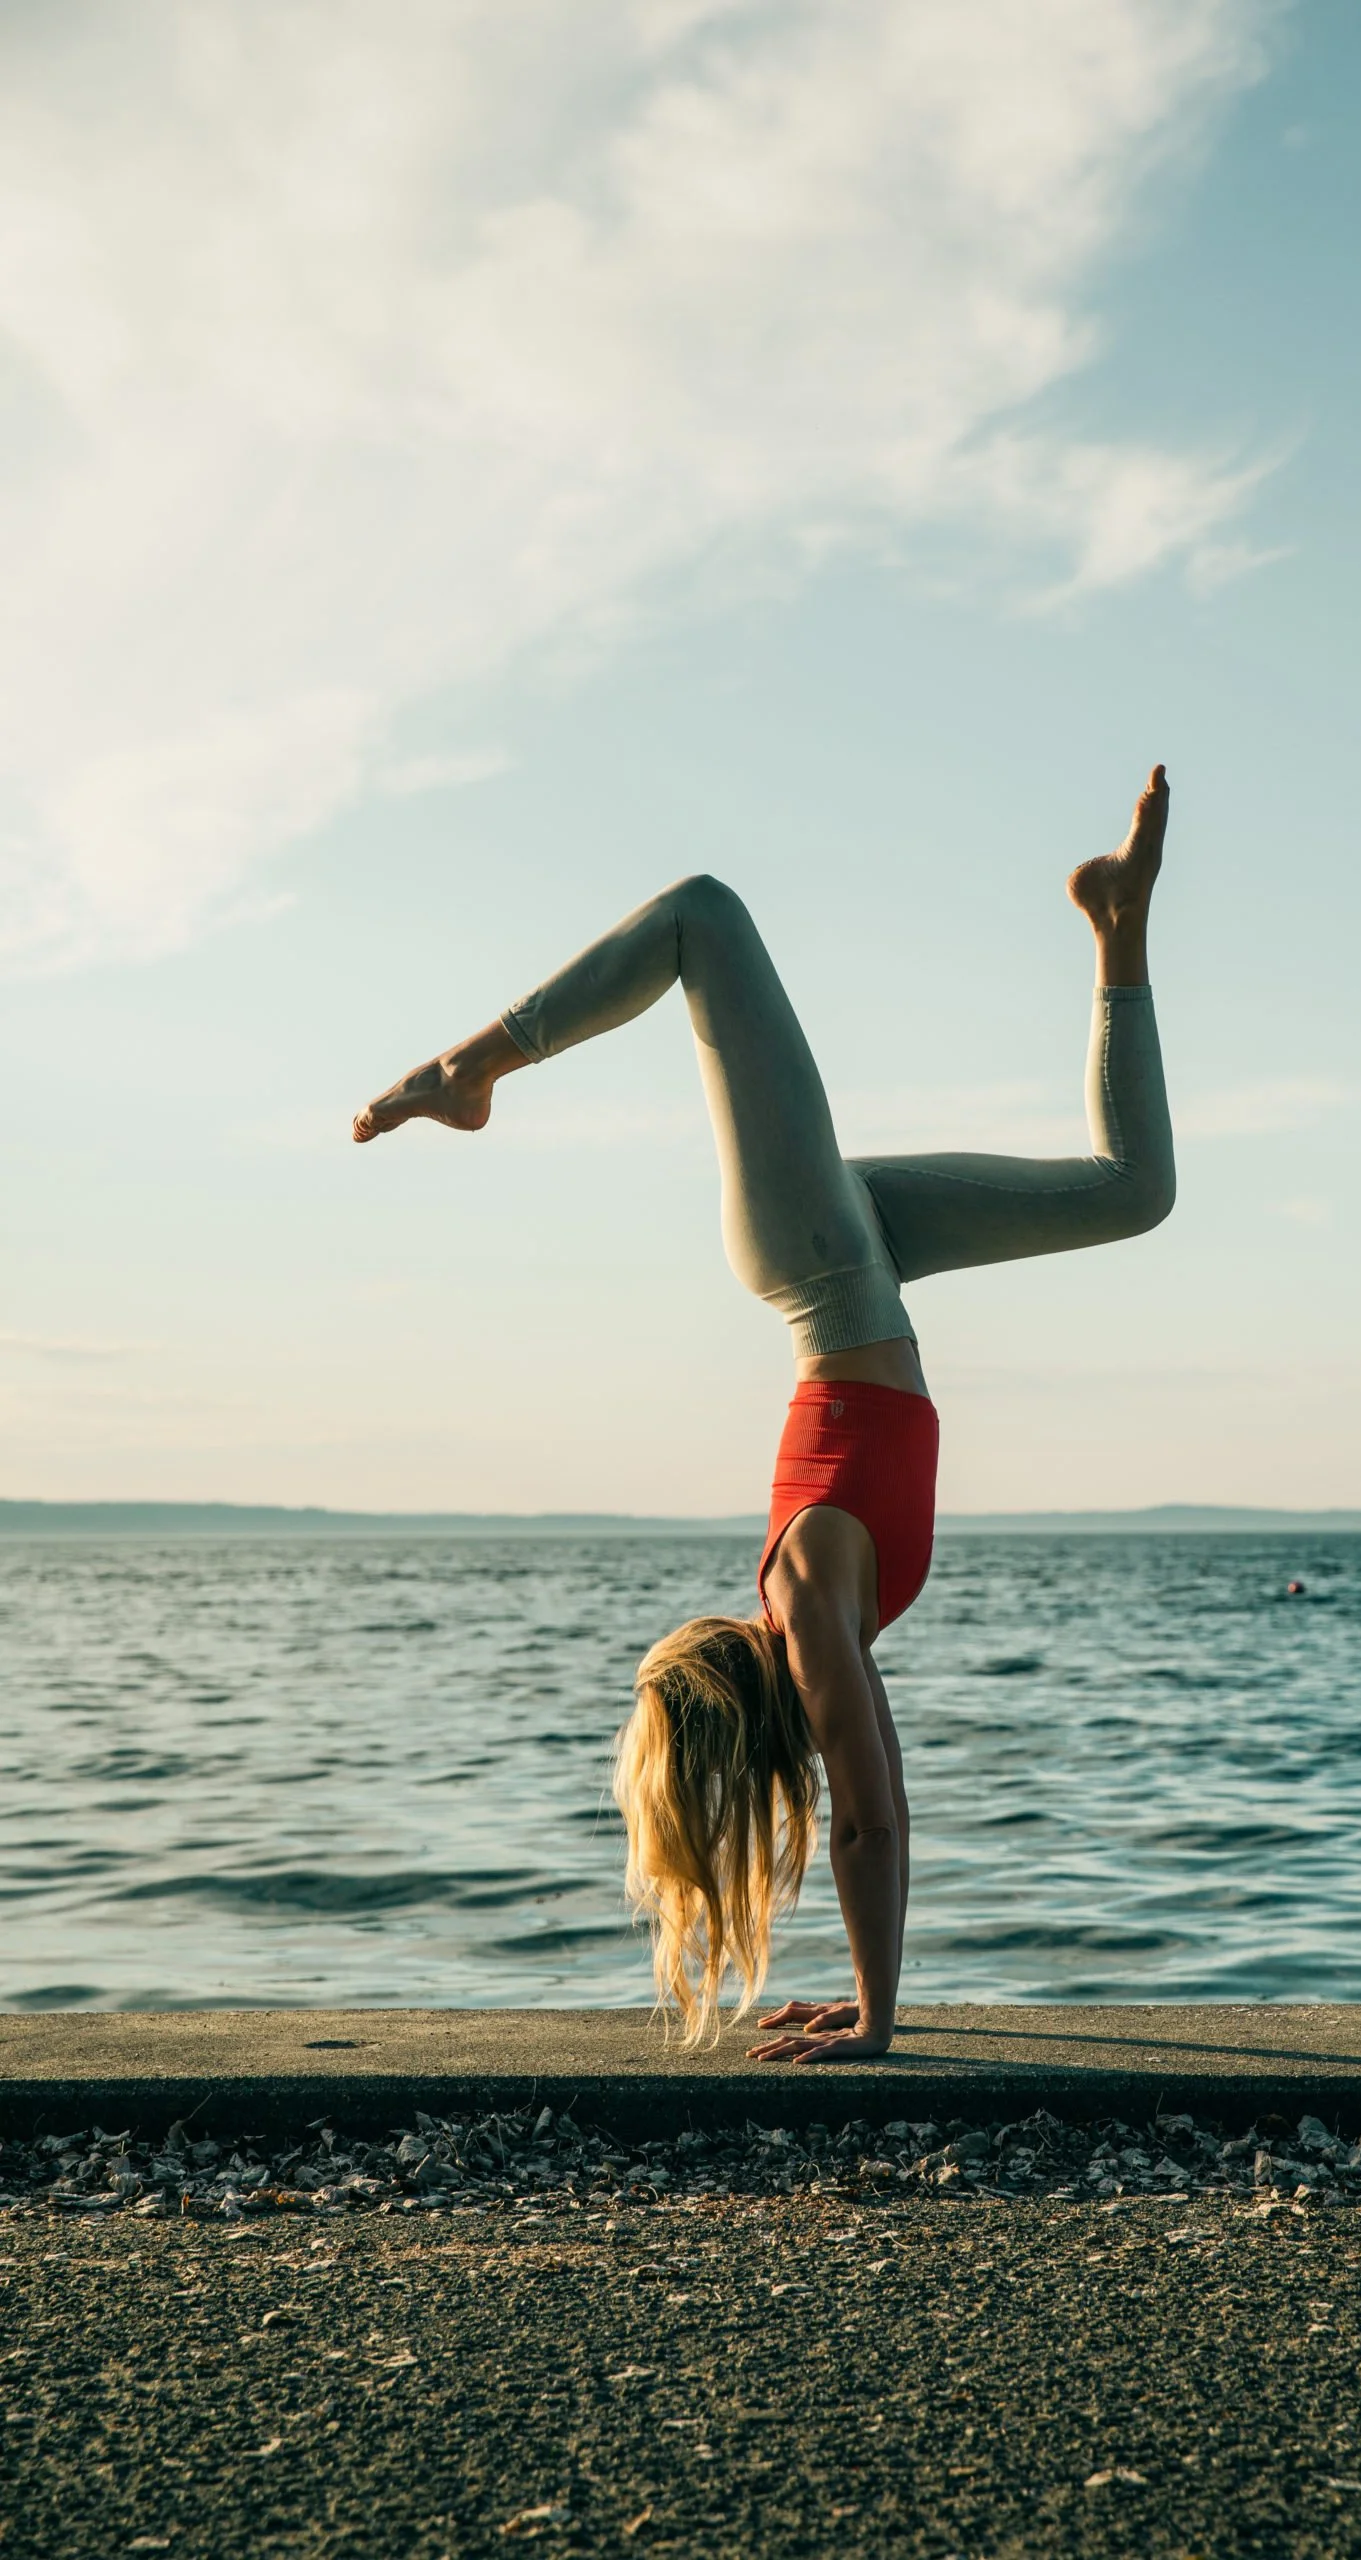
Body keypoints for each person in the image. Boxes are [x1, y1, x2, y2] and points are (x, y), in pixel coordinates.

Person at [353, 766, 1176, 2061]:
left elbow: (869, 1811)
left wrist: (878, 2015)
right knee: (1130, 1194)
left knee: (705, 919)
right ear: (714, 1676)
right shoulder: (811, 1609)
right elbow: (875, 1807)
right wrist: (873, 2017)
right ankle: (1117, 925)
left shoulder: (814, 1600)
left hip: (821, 1269)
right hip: (848, 1260)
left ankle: (468, 1069)